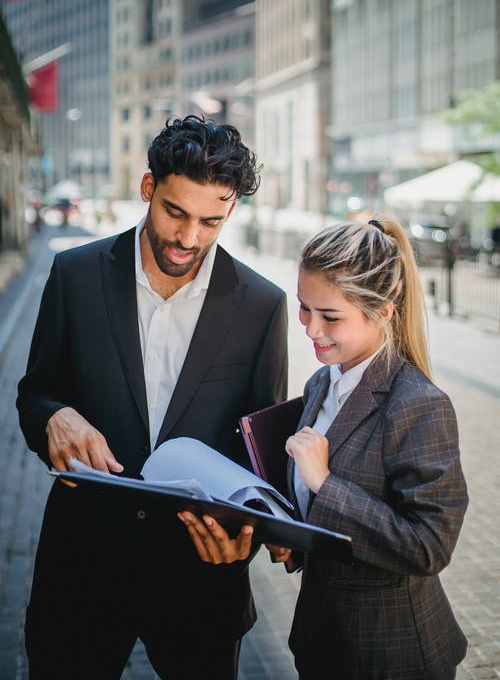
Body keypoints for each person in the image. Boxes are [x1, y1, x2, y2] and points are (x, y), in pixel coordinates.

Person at [17, 115, 288, 680]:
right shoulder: (74, 274)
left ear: (231, 211)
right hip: (82, 571)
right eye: (175, 212)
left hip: (200, 584)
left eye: (211, 221)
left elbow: (260, 458)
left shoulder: (263, 305)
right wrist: (54, 416)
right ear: (148, 189)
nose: (189, 239)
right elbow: (34, 392)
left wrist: (249, 534)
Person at [179, 217, 468, 679]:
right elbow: (331, 524)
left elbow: (429, 547)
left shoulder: (420, 406)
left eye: (331, 316)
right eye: (303, 308)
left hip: (391, 656)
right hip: (321, 640)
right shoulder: (321, 382)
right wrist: (294, 539)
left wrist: (325, 484)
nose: (312, 330)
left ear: (383, 313)